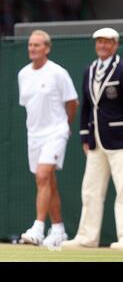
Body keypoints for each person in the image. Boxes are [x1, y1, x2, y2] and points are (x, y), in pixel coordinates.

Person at [62, 27, 123, 250]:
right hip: (95, 141)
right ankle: (86, 237)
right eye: (99, 42)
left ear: (115, 44)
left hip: (122, 140)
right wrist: (84, 135)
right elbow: (87, 106)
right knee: (90, 190)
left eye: (107, 42)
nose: (102, 46)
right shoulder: (89, 70)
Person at [18, 30, 79, 247]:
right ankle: (59, 229)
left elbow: (73, 102)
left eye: (37, 45)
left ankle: (37, 228)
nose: (32, 49)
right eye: (30, 45)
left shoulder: (58, 73)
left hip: (56, 132)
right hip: (34, 135)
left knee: (43, 176)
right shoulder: (23, 74)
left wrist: (65, 125)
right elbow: (29, 106)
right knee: (48, 182)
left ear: (47, 48)